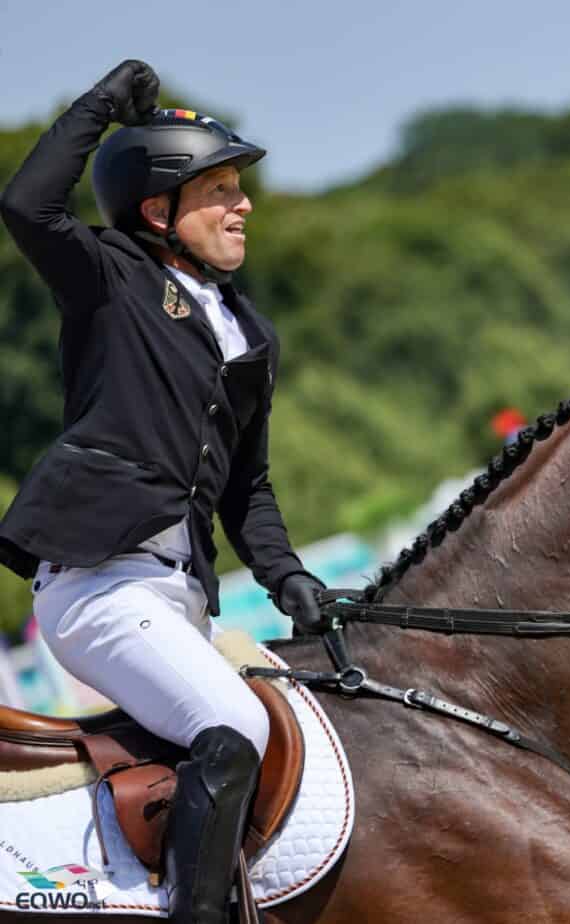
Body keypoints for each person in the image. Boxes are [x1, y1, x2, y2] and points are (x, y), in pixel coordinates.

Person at [0, 60, 327, 923]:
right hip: (100, 588)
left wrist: (288, 576)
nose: (244, 204)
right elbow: (27, 206)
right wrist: (103, 106)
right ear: (159, 213)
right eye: (219, 189)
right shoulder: (111, 282)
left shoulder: (249, 330)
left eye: (239, 188)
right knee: (239, 729)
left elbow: (245, 485)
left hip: (182, 600)